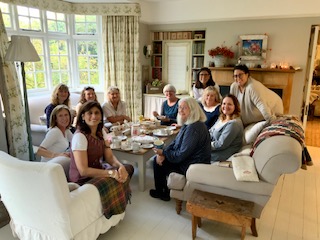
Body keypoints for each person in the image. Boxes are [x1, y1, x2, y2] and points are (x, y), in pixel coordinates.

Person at [69, 101, 134, 218]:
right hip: (83, 179)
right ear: (83, 116)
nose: (94, 116)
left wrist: (120, 166)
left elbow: (109, 157)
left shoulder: (101, 132)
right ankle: (112, 208)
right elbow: (83, 171)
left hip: (98, 171)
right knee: (114, 179)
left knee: (128, 169)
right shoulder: (80, 136)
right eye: (90, 113)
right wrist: (110, 173)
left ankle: (116, 203)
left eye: (97, 113)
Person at [150, 97, 211, 201]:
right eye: (179, 108)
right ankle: (164, 190)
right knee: (158, 159)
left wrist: (163, 153)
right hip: (189, 159)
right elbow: (174, 143)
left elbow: (181, 155)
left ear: (192, 110)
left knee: (156, 163)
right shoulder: (189, 123)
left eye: (184, 108)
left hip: (192, 164)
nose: (180, 110)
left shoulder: (194, 128)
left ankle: (162, 193)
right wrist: (162, 153)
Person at [37, 105, 73, 176]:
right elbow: (39, 151)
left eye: (66, 115)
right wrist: (58, 155)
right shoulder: (55, 132)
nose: (64, 118)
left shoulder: (66, 131)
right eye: (60, 116)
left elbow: (76, 143)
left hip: (57, 165)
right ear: (55, 119)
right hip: (48, 168)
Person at [209, 94, 243, 162]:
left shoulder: (234, 124)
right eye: (224, 104)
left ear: (235, 107)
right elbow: (210, 132)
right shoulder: (221, 118)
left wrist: (204, 145)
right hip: (211, 149)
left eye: (229, 104)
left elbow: (221, 144)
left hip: (219, 155)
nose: (226, 106)